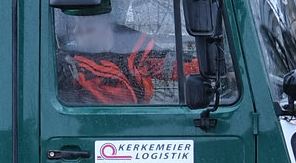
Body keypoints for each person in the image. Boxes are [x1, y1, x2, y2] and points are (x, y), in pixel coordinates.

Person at [56, 9, 198, 106]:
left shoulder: (137, 49)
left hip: (134, 123)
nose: (76, 30)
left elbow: (171, 66)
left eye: (85, 24)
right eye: (75, 23)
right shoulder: (66, 63)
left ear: (106, 22)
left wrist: (207, 67)